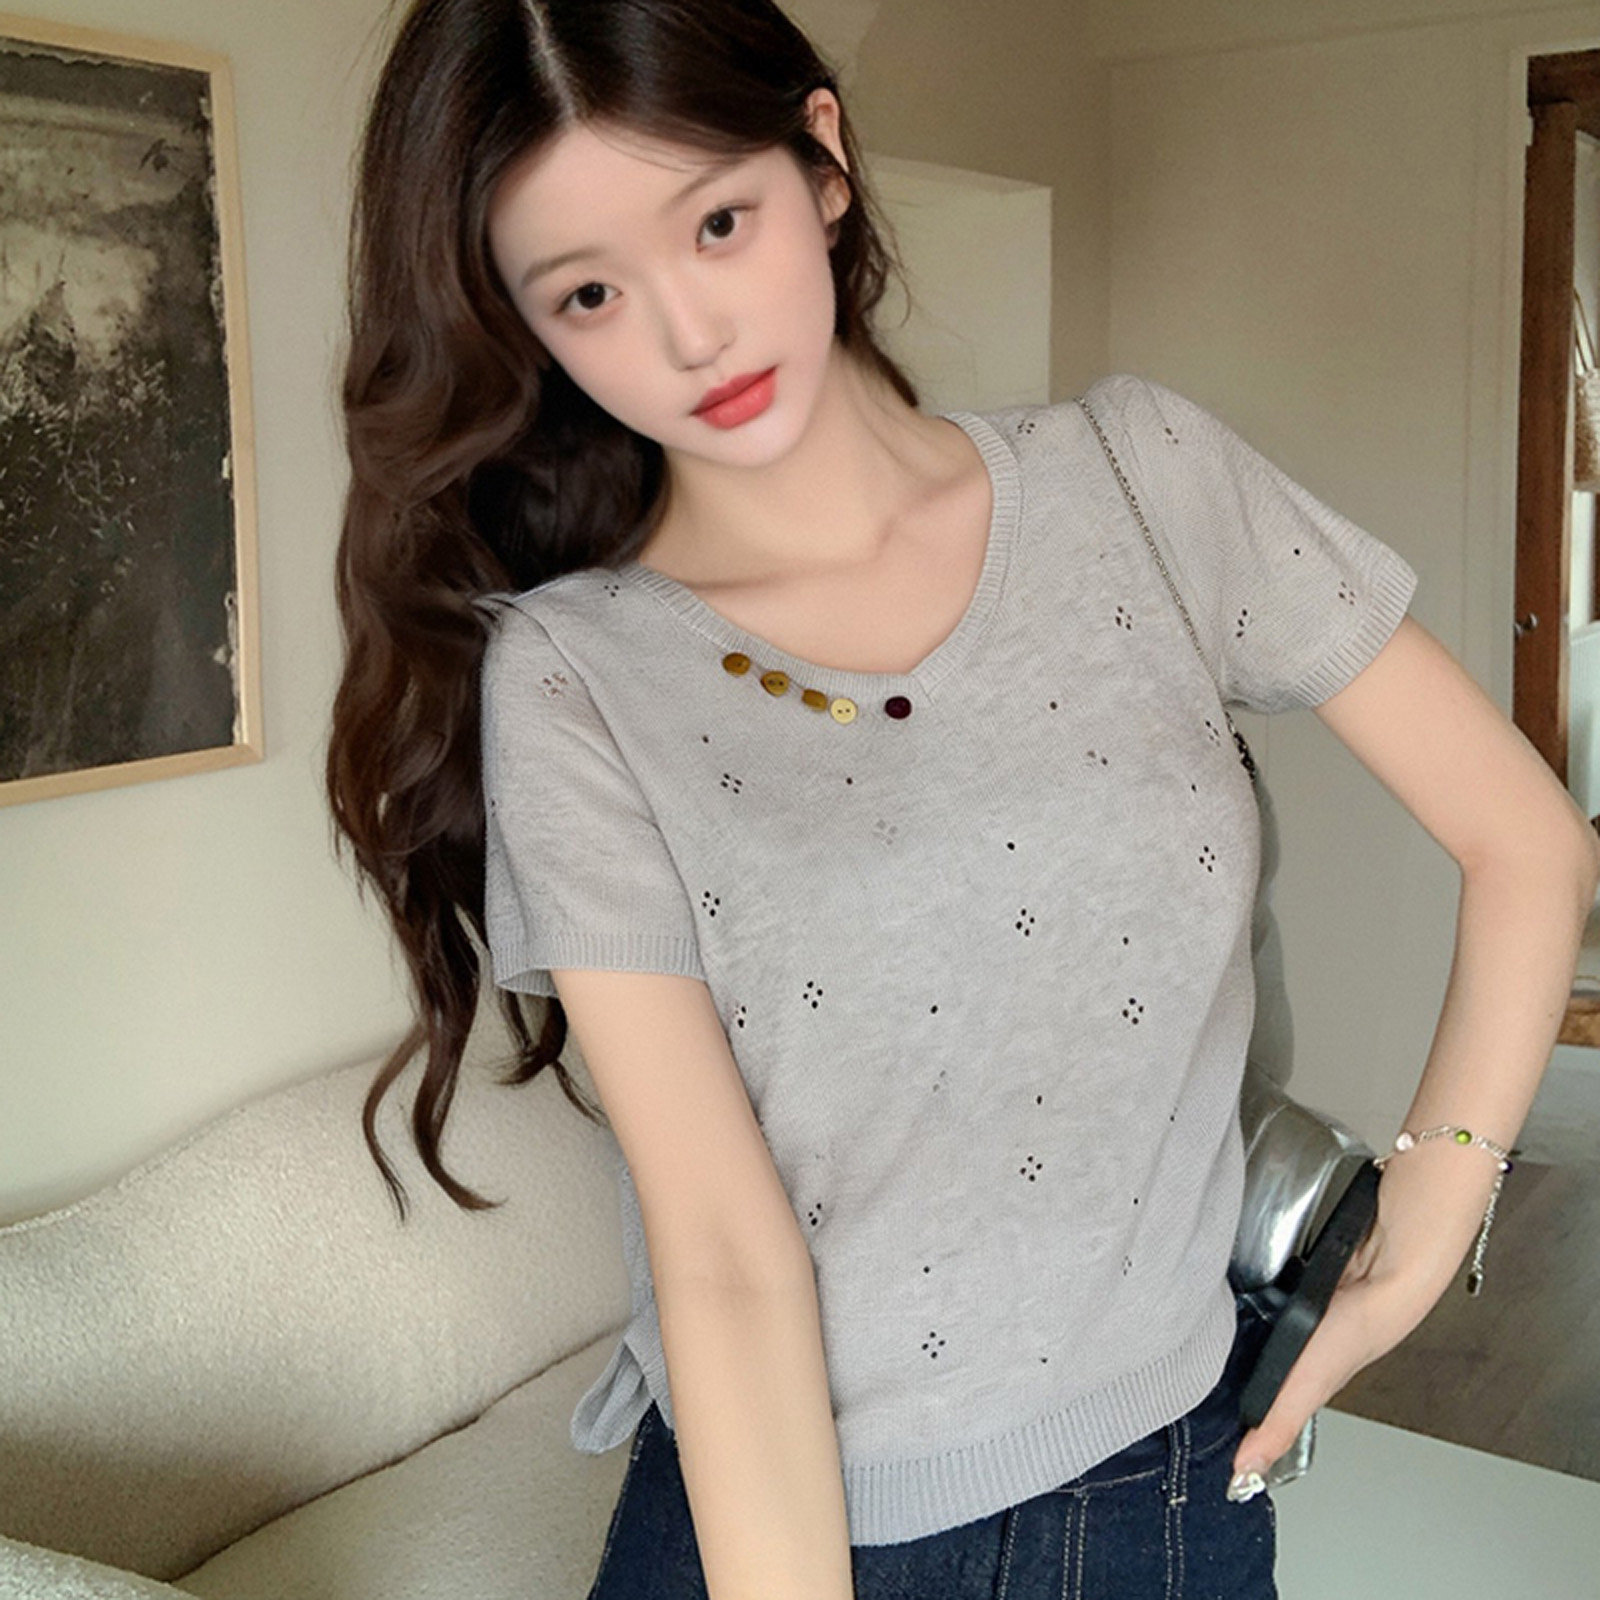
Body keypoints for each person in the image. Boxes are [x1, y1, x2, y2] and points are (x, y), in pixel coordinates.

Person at [325, 2, 1600, 1596]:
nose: (690, 334)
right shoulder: (578, 676)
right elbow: (722, 1258)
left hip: (1162, 1500)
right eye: (590, 292)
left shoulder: (1144, 482)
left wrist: (1428, 1223)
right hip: (776, 1518)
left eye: (716, 224)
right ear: (530, 326)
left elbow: (1529, 839)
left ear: (822, 161)